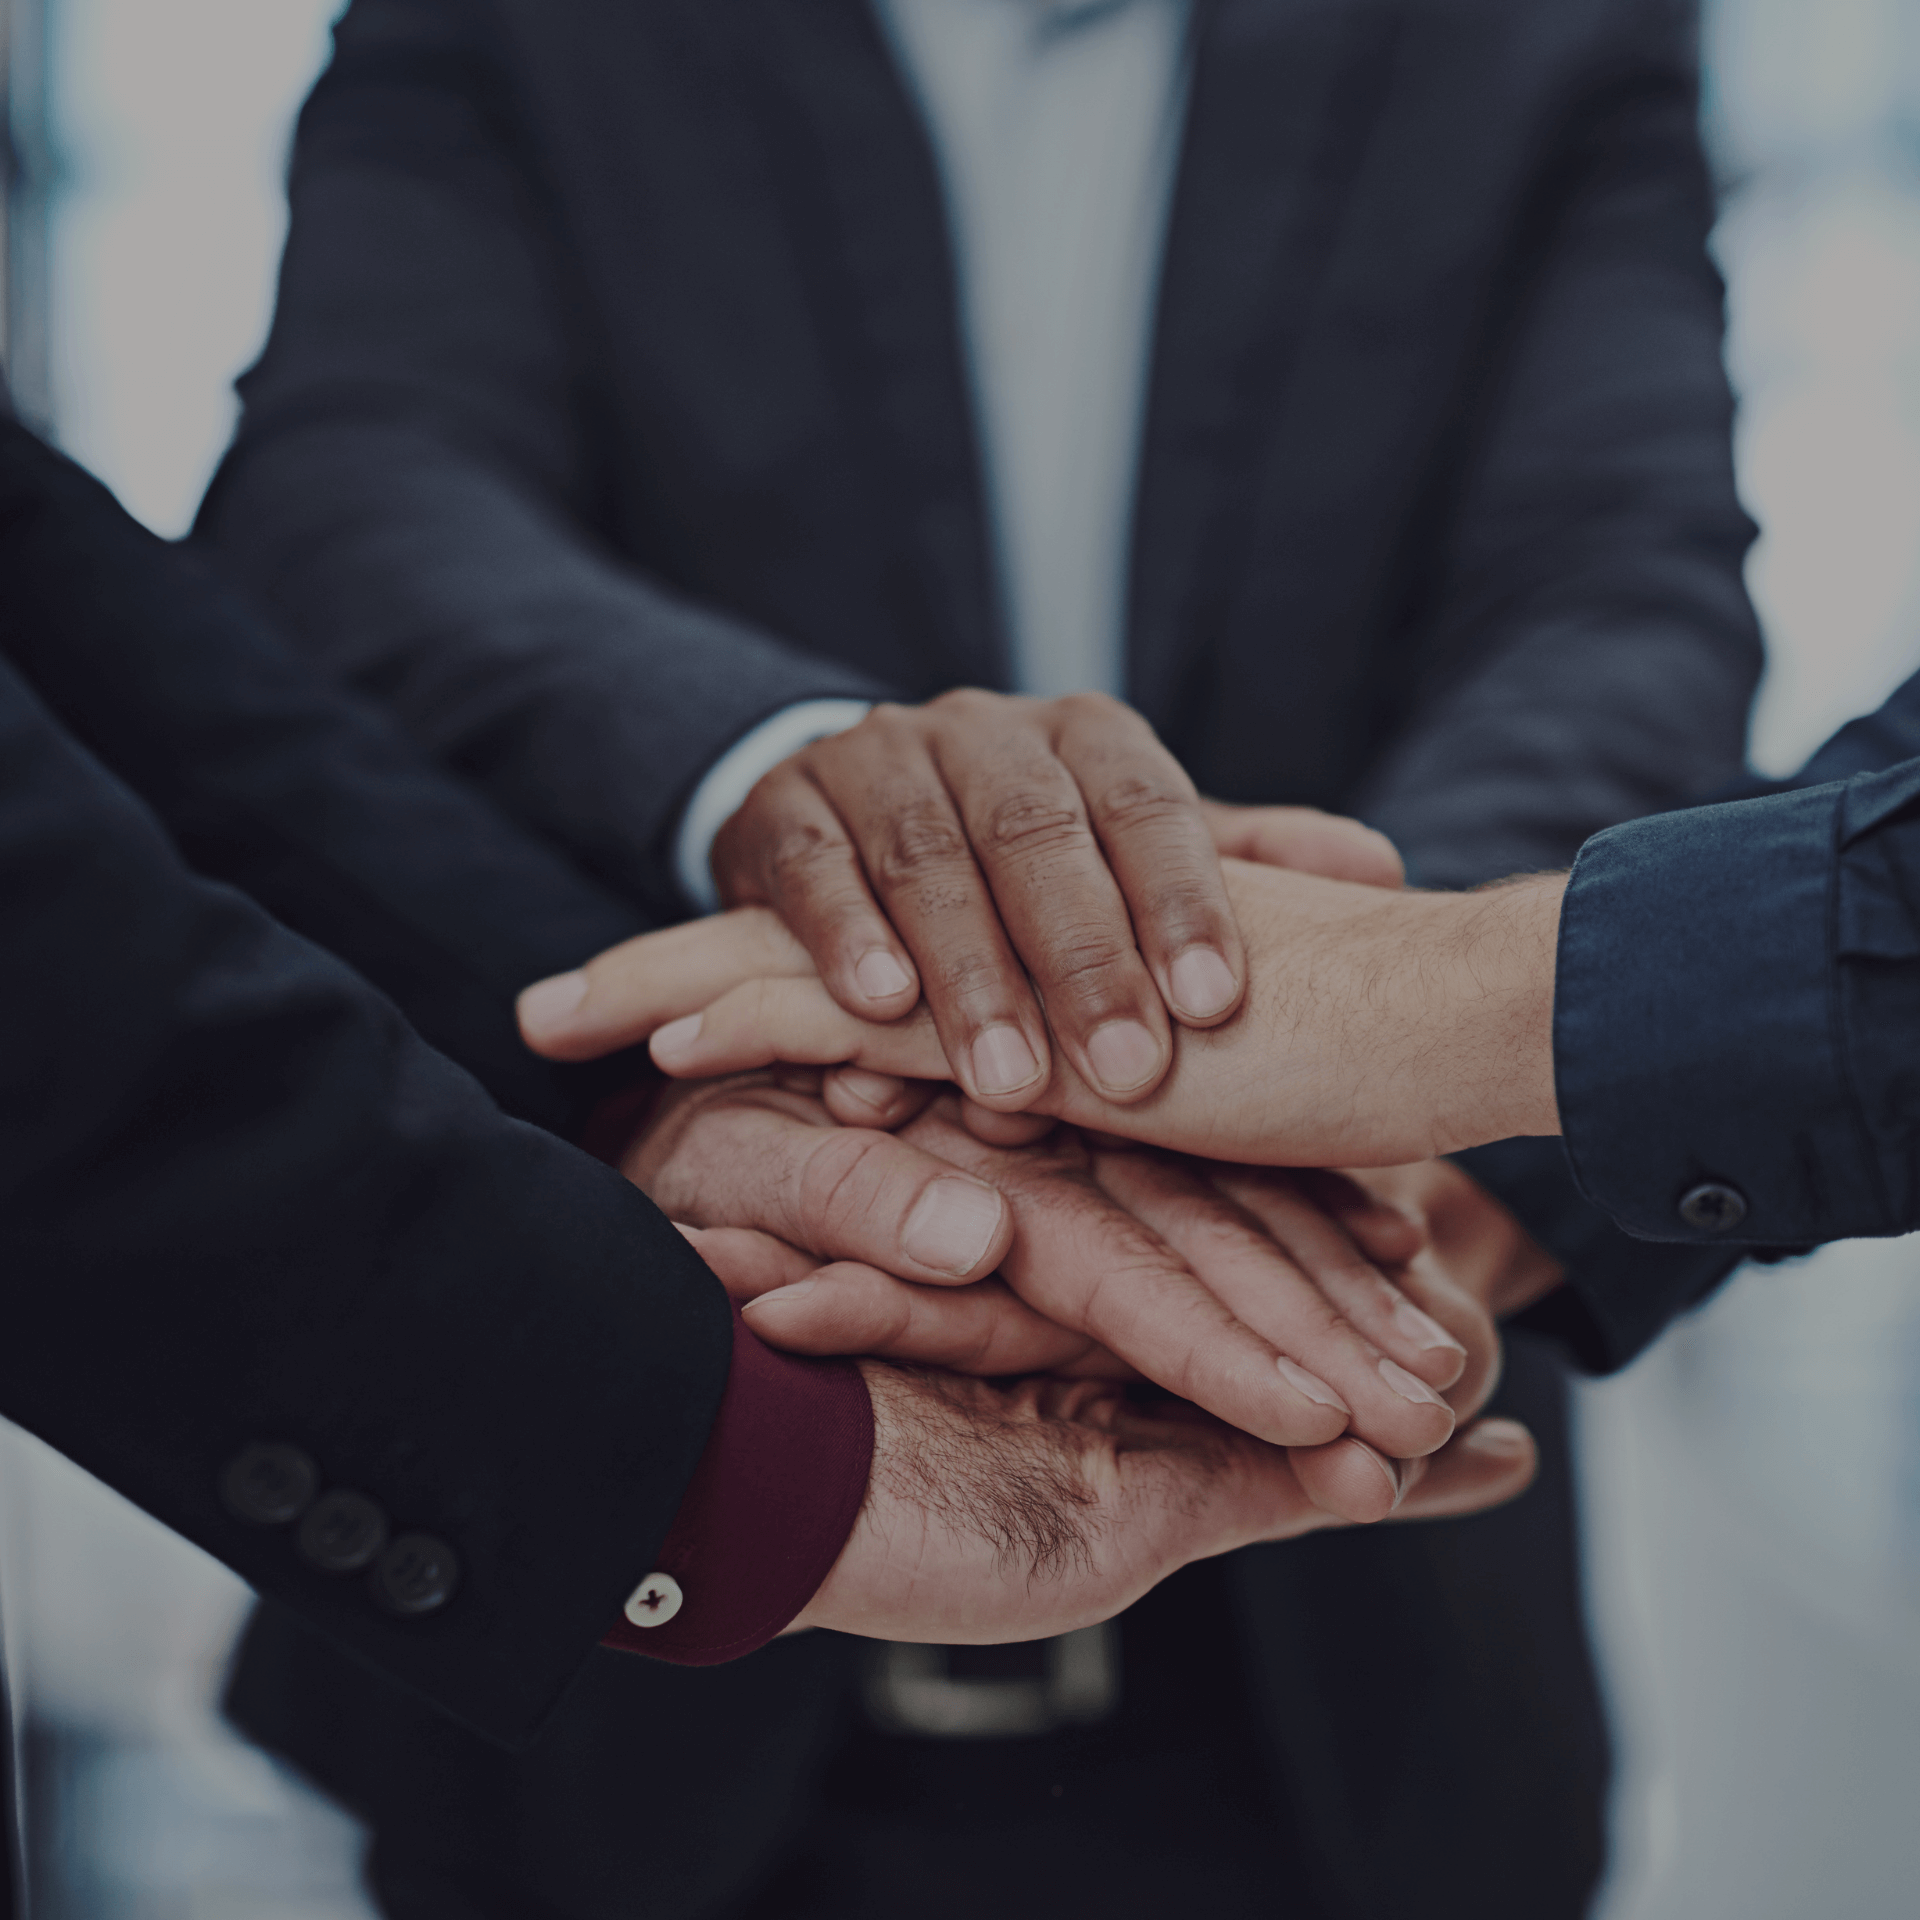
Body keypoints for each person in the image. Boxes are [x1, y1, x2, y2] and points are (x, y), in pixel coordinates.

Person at [195, 0, 1759, 1909]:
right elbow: (353, 501)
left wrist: (1355, 1049)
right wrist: (786, 774)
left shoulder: (1543, 31)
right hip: (618, 1621)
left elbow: (1622, 590)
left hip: (1350, 1639)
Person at [0, 410, 1539, 1917]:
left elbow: (67, 609)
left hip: (1359, 1747)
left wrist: (1454, 1094)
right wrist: (705, 1438)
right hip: (574, 1803)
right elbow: (353, 491)